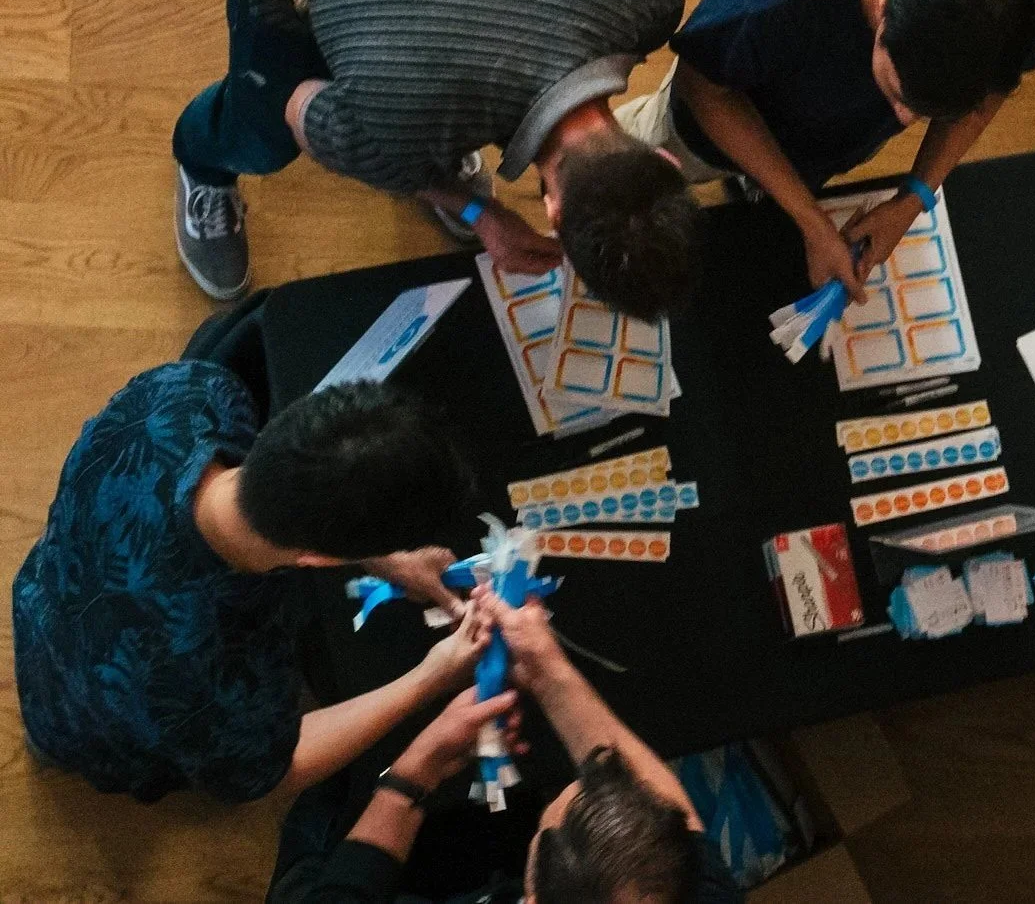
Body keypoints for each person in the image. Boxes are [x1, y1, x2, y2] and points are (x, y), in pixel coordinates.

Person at [173, 0, 697, 319]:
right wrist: (478, 211)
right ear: (552, 211)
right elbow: (297, 100)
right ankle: (203, 163)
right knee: (263, 130)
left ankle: (420, 136)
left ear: (663, 158)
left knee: (404, 116)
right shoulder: (395, 122)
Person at [13, 370, 482, 804]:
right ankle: (48, 747)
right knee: (83, 739)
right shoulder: (211, 668)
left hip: (46, 592)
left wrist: (392, 562)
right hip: (82, 713)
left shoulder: (195, 391)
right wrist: (430, 677)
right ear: (317, 560)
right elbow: (278, 771)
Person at [614, 0, 1035, 299]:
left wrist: (913, 200)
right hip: (704, 132)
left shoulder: (1019, 4)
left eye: (929, 112)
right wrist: (811, 220)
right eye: (896, 94)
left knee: (764, 220)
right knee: (624, 180)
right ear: (883, 12)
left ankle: (761, 188)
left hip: (823, 145)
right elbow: (704, 89)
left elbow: (985, 100)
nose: (903, 121)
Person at [267, 588, 743, 903]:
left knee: (330, 803)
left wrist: (418, 769)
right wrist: (548, 673)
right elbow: (685, 827)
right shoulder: (687, 889)